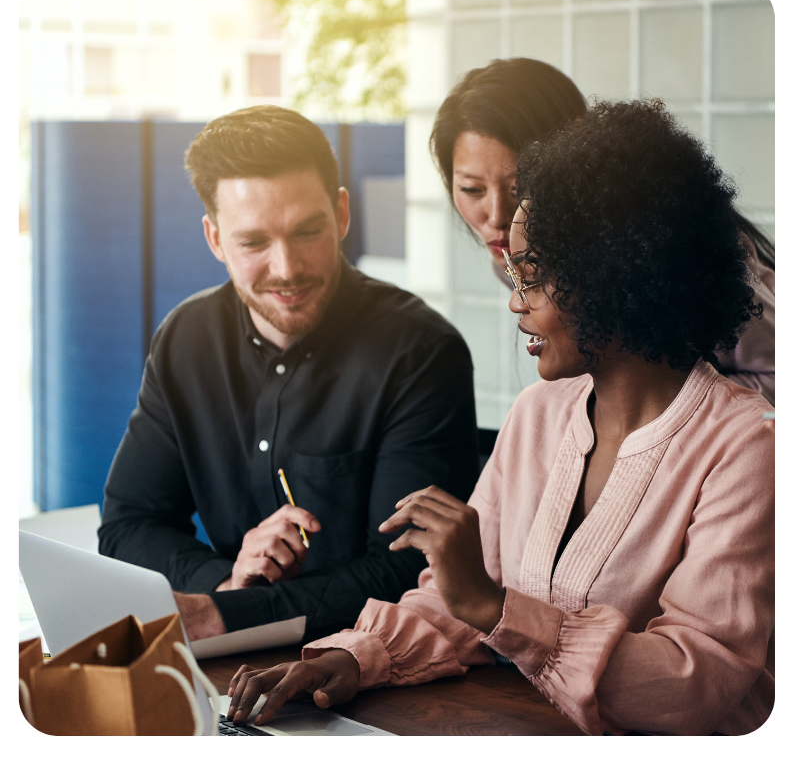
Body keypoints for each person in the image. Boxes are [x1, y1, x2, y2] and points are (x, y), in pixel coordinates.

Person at [224, 100, 774, 736]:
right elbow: (458, 604)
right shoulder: (538, 415)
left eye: (532, 276)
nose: (514, 301)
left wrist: (493, 606)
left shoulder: (745, 445)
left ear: (618, 276)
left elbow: (696, 681)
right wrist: (353, 656)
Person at [98, 105, 480, 642]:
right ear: (215, 240)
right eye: (254, 243)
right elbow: (128, 523)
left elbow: (407, 571)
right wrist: (224, 581)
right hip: (234, 656)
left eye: (306, 231)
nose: (286, 268)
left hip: (373, 661)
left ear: (341, 214)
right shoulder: (186, 338)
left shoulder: (420, 351)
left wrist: (230, 613)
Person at [431, 57, 775, 405]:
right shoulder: (510, 257)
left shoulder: (679, 251)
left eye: (519, 189)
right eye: (472, 190)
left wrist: (647, 411)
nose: (496, 217)